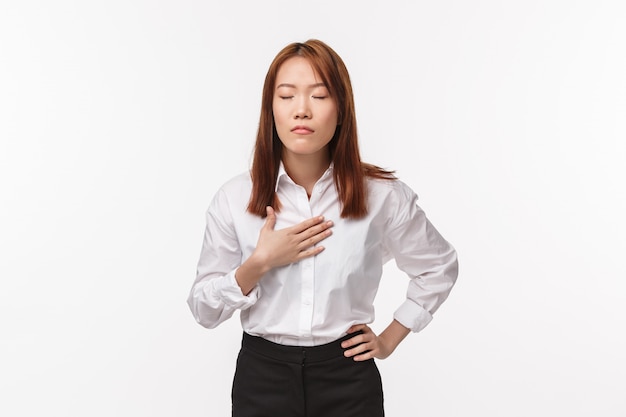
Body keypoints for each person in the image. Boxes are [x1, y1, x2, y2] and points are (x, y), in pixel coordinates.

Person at [187, 39, 458, 417]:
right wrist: (258, 264)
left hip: (348, 378)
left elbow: (438, 266)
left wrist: (390, 338)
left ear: (342, 109)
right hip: (261, 379)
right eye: (286, 96)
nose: (301, 110)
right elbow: (203, 309)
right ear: (271, 110)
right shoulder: (234, 198)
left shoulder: (381, 196)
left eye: (318, 95)